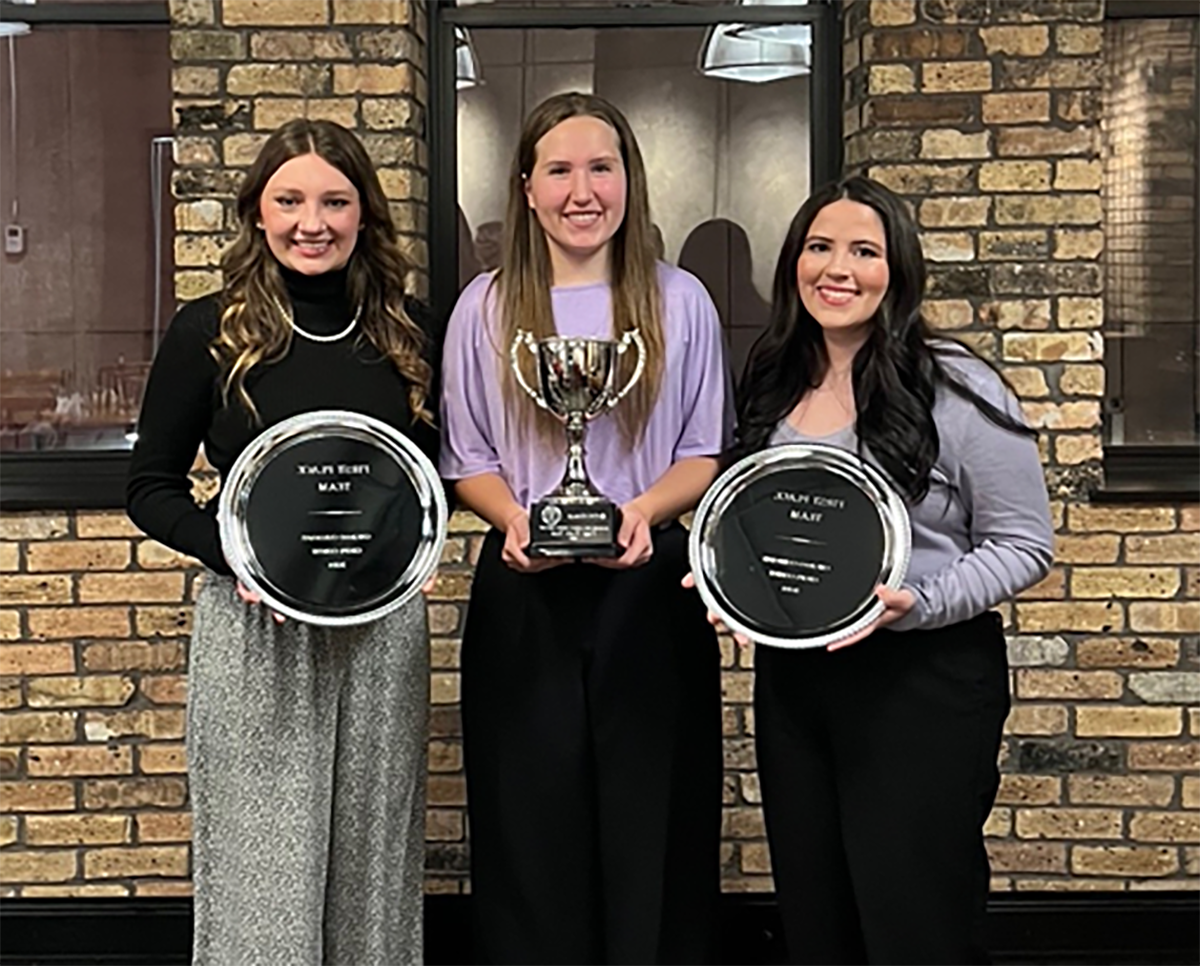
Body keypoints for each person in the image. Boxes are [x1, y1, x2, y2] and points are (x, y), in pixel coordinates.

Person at [711, 175, 1054, 965]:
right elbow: (754, 521)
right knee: (815, 912)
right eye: (819, 247)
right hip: (797, 682)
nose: (839, 268)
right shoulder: (771, 380)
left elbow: (1025, 543)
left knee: (915, 920)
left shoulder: (959, 385)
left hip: (922, 683)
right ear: (794, 263)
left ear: (896, 270)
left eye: (864, 251)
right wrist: (731, 583)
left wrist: (921, 602)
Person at [126, 119, 439, 966]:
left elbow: (434, 479)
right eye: (290, 200)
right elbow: (149, 486)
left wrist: (407, 546)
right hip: (253, 627)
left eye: (336, 201)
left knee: (374, 865)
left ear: (364, 214)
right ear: (257, 214)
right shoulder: (208, 331)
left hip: (380, 632)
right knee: (260, 870)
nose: (314, 221)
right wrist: (231, 553)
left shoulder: (411, 330)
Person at [439, 92, 729, 966]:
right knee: (529, 825)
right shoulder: (483, 310)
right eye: (559, 170)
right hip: (524, 589)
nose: (582, 190)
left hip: (649, 586)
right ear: (526, 188)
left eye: (601, 167)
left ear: (630, 183)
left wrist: (641, 511)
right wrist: (515, 521)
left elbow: (702, 450)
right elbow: (466, 459)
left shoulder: (681, 303)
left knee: (654, 816)